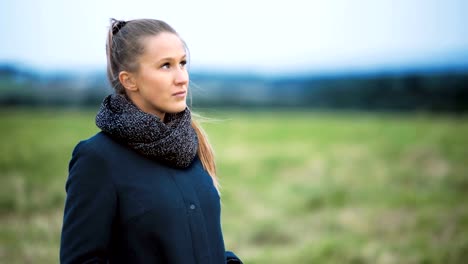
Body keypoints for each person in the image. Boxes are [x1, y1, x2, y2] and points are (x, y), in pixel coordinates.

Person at [60, 18, 242, 264]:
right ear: (129, 80)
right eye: (166, 66)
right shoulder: (98, 158)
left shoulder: (189, 143)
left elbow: (201, 244)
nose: (182, 78)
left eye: (182, 63)